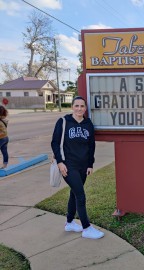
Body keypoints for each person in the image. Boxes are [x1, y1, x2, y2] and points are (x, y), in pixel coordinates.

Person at [51, 96, 104, 239]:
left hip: (82, 166)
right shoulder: (63, 121)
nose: (79, 109)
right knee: (80, 195)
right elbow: (55, 143)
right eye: (77, 106)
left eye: (82, 106)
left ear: (85, 108)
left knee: (74, 193)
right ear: (72, 107)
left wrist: (90, 164)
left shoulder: (88, 124)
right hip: (68, 166)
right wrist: (60, 162)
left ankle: (69, 223)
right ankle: (86, 228)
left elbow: (91, 145)